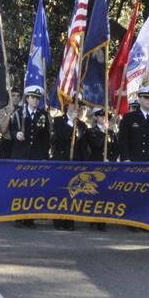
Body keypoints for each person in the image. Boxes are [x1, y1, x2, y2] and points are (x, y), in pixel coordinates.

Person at [10, 85, 50, 228]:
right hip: (21, 155)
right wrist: (16, 134)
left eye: (37, 98)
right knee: (21, 186)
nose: (35, 101)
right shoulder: (18, 113)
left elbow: (46, 138)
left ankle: (30, 218)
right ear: (27, 98)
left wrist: (45, 156)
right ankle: (18, 216)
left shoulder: (43, 115)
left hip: (36, 156)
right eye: (32, 97)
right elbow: (12, 129)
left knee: (33, 187)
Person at [51, 99, 89, 230]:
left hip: (76, 163)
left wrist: (85, 164)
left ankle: (70, 221)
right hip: (61, 161)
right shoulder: (58, 121)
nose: (77, 107)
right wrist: (69, 122)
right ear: (67, 105)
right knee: (60, 191)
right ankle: (58, 221)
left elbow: (84, 147)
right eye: (74, 104)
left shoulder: (82, 125)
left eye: (78, 105)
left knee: (74, 192)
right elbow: (60, 137)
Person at [119, 86, 149, 163]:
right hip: (134, 162)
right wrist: (125, 159)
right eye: (146, 98)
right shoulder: (129, 117)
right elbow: (122, 140)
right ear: (139, 100)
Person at [0, 86, 20, 159]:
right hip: (7, 144)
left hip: (19, 144)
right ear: (9, 97)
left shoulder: (22, 110)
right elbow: (3, 130)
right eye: (13, 95)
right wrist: (8, 114)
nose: (16, 98)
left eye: (18, 96)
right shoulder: (2, 110)